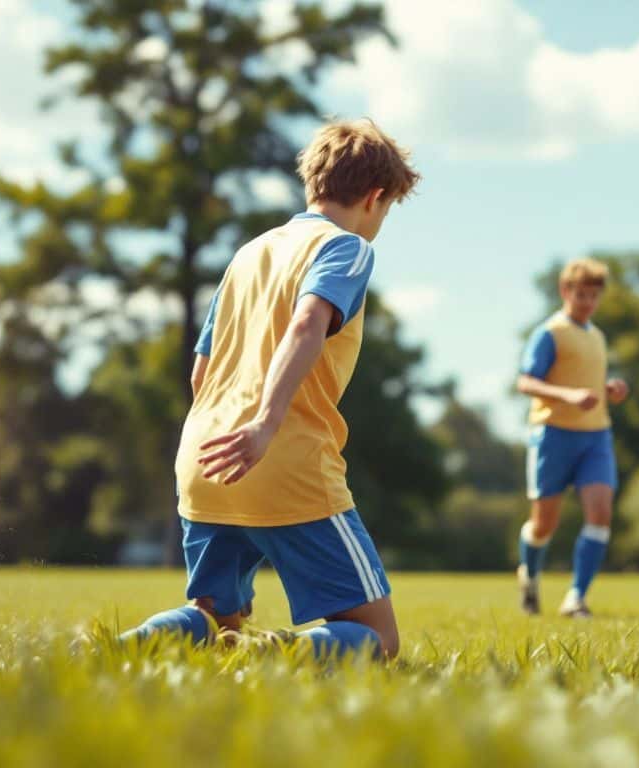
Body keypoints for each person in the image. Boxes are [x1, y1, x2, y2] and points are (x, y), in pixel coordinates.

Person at [119, 119, 420, 659]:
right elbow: (308, 325)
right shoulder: (345, 248)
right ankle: (273, 653)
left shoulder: (249, 254)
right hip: (283, 460)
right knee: (379, 638)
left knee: (215, 623)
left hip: (205, 458)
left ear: (312, 182)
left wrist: (235, 427)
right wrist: (264, 423)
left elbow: (200, 371)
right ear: (376, 198)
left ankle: (121, 648)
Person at [514, 258, 629, 618]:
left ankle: (576, 597)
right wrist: (569, 396)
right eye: (581, 295)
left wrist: (609, 389)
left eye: (594, 296)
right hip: (553, 436)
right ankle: (529, 576)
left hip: (596, 436)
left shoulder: (597, 336)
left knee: (601, 513)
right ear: (566, 291)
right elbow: (525, 382)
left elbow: (590, 381)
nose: (588, 303)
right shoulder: (550, 332)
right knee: (544, 524)